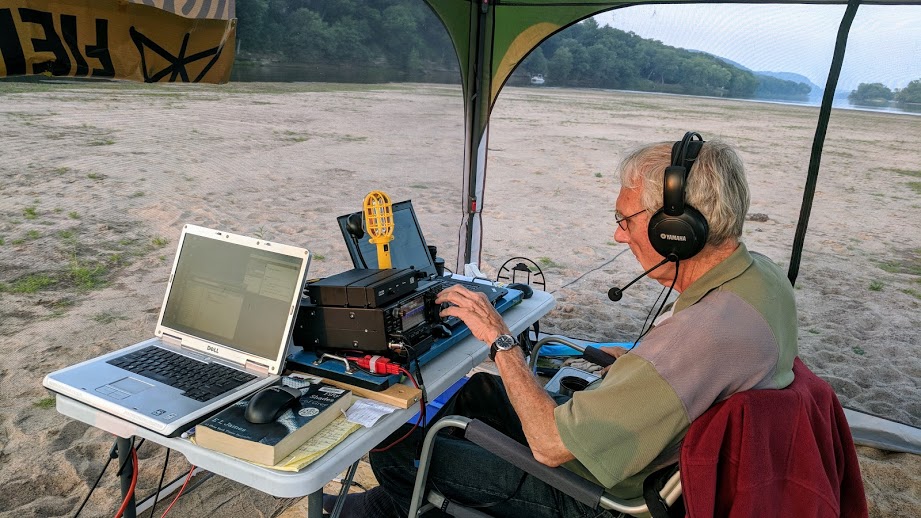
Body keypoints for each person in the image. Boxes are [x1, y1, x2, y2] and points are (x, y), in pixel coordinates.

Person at [326, 135, 798, 517]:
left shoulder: (701, 333)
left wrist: (501, 339)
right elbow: (684, 375)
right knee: (475, 396)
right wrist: (636, 367)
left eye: (625, 220)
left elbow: (551, 446)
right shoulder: (761, 279)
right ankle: (386, 507)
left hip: (603, 494)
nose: (619, 234)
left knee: (399, 449)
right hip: (641, 449)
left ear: (675, 230)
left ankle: (380, 506)